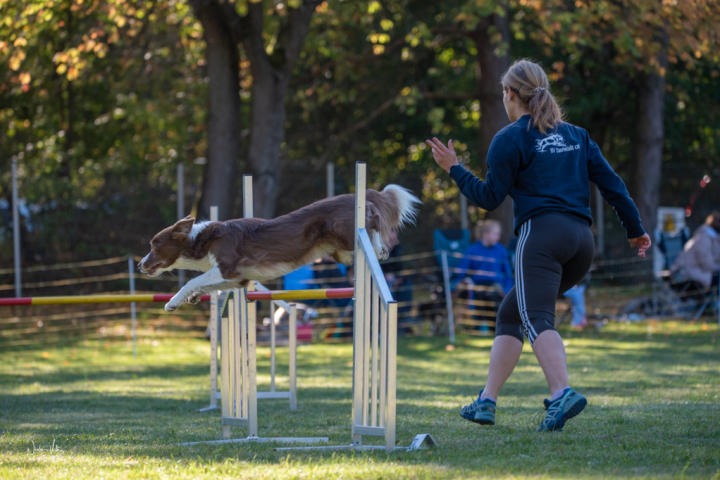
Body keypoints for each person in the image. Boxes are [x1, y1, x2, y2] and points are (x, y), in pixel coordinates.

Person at [427, 58, 651, 432]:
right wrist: (635, 229)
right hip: (582, 243)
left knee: (536, 318)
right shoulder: (577, 136)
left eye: (504, 93)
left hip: (542, 238)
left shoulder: (509, 138)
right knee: (511, 314)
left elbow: (488, 197)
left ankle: (561, 392)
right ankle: (486, 401)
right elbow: (613, 186)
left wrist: (454, 168)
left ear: (509, 94)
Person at [454, 220, 514, 333]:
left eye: (498, 234)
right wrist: (458, 283)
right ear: (485, 234)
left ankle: (496, 329)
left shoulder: (501, 250)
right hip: (478, 285)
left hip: (496, 286)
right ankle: (477, 327)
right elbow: (461, 271)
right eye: (495, 233)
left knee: (492, 295)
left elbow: (508, 274)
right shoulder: (472, 250)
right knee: (479, 294)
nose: (498, 237)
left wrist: (506, 291)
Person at [670, 211, 720, 289]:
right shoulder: (704, 238)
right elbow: (708, 264)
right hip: (686, 272)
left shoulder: (712, 238)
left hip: (698, 271)